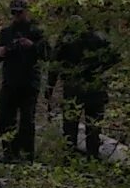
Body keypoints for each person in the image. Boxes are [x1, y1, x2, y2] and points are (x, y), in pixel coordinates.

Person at [49, 18, 121, 158]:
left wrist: (50, 87)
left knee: (70, 124)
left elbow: (54, 64)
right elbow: (114, 58)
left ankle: (69, 156)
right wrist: (98, 70)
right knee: (93, 124)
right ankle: (92, 156)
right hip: (96, 86)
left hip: (73, 87)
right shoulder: (99, 37)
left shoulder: (66, 38)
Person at [0, 0, 46, 162]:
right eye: (14, 12)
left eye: (19, 12)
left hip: (29, 82)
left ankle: (28, 155)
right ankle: (9, 153)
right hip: (10, 81)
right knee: (4, 118)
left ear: (26, 12)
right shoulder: (6, 33)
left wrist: (32, 46)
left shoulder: (36, 31)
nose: (17, 16)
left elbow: (47, 54)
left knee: (27, 120)